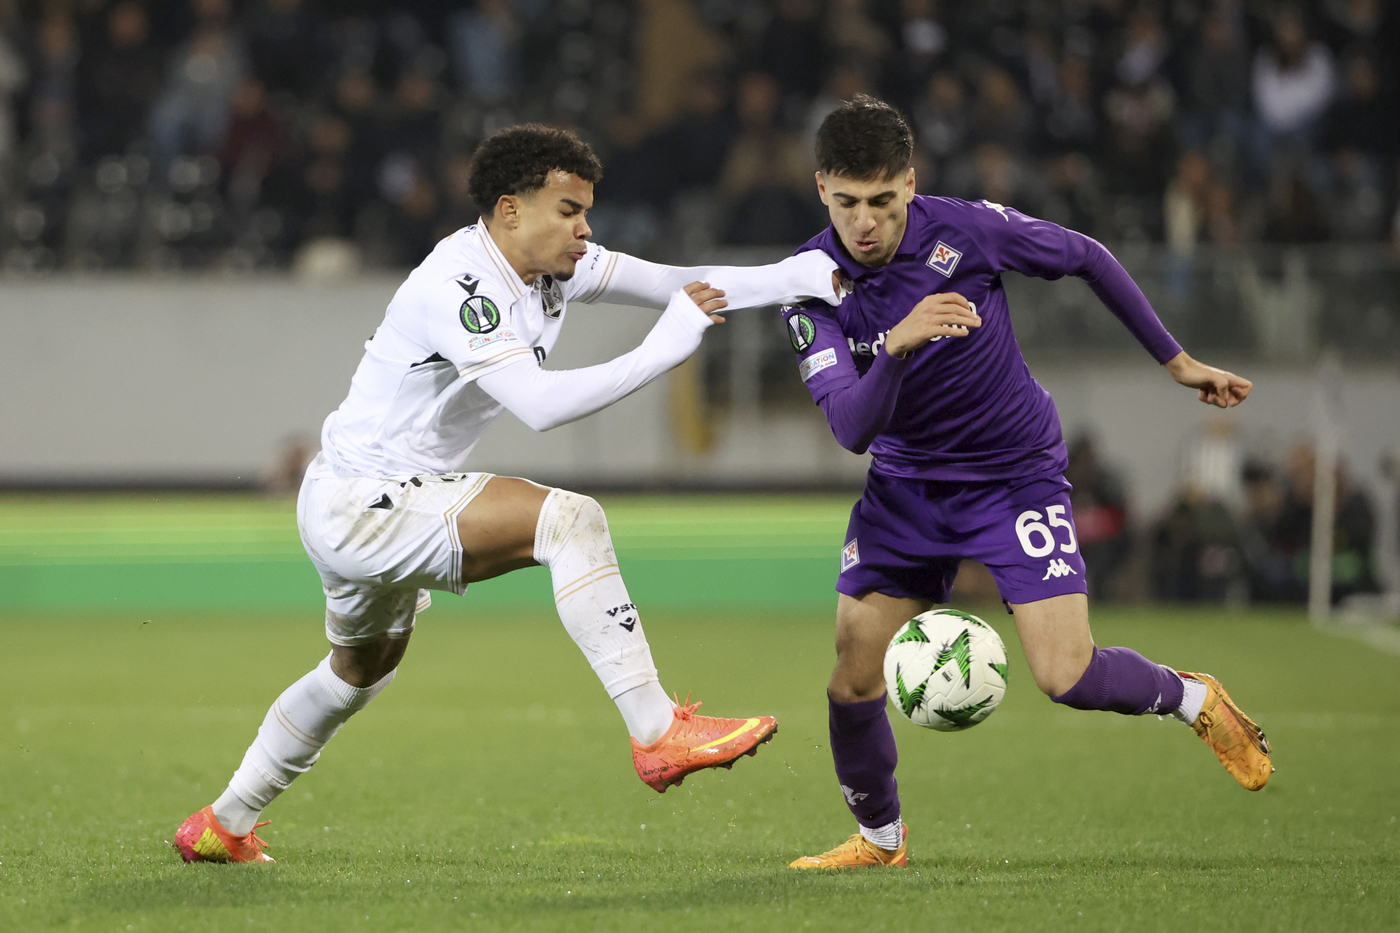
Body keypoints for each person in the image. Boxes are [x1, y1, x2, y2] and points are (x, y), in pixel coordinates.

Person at [174, 124, 841, 864]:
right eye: (568, 209)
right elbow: (541, 404)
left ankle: (222, 822)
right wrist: (664, 346)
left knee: (355, 675)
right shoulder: (461, 284)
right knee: (569, 520)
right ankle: (656, 730)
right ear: (510, 210)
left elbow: (674, 280)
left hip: (355, 498)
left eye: (586, 210)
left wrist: (800, 276)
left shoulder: (554, 265)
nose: (584, 229)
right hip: (367, 501)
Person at [780, 97, 1272, 870]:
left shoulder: (966, 231)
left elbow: (1085, 255)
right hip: (905, 490)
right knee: (851, 671)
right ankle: (880, 839)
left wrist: (1176, 359)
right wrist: (898, 346)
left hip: (1013, 479)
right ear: (821, 191)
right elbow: (851, 428)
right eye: (847, 203)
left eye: (882, 200)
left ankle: (1194, 698)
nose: (865, 222)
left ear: (911, 183)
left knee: (1065, 674)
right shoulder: (810, 285)